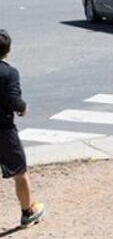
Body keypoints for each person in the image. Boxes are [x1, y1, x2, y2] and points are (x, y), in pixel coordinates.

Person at [0, 31, 44, 228]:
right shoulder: (9, 73)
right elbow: (14, 100)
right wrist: (23, 107)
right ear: (8, 50)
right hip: (3, 130)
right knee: (19, 172)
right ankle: (28, 212)